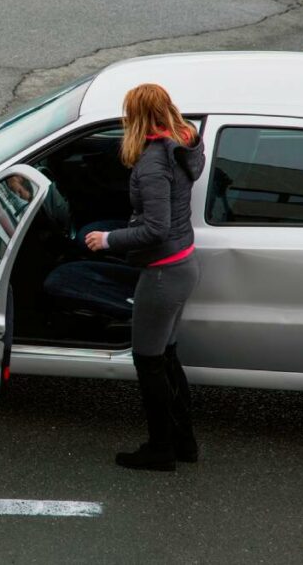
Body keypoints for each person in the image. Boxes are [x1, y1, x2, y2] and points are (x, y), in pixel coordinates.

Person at [83, 83, 205, 471]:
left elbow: (155, 228)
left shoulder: (154, 162)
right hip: (183, 265)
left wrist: (108, 240)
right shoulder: (183, 145)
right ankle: (184, 442)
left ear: (137, 117)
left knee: (148, 360)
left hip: (162, 274)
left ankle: (160, 449)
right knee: (167, 358)